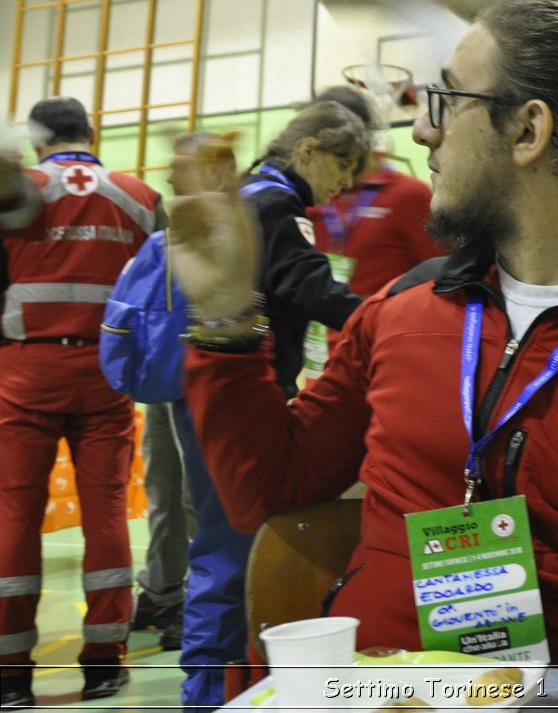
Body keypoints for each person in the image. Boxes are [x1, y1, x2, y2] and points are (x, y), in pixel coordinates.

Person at [171, 0, 558, 704]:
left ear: (528, 128)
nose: (422, 129)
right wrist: (223, 312)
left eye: (445, 99)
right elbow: (267, 489)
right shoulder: (402, 309)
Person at [169, 105, 366, 711]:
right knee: (231, 553)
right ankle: (207, 693)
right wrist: (387, 315)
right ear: (306, 150)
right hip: (231, 389)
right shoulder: (272, 201)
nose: (347, 182)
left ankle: (211, 686)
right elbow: (304, 284)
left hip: (216, 386)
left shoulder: (253, 195)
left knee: (222, 546)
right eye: (342, 164)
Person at [0, 97, 163, 707]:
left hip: (26, 372)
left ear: (41, 142)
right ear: (92, 135)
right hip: (108, 372)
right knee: (106, 513)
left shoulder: (20, 187)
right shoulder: (139, 197)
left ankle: (11, 671)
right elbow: (159, 290)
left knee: (14, 515)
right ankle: (104, 663)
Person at [129, 132, 234, 655]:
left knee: (199, 500)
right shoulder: (174, 233)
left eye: (181, 167)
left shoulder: (238, 232)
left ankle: (196, 602)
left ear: (215, 173)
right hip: (167, 384)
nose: (169, 177)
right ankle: (163, 591)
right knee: (163, 489)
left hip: (208, 389)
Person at [307, 86, 446, 354]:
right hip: (322, 361)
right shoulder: (314, 197)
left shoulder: (409, 197)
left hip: (385, 357)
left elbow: (443, 283)